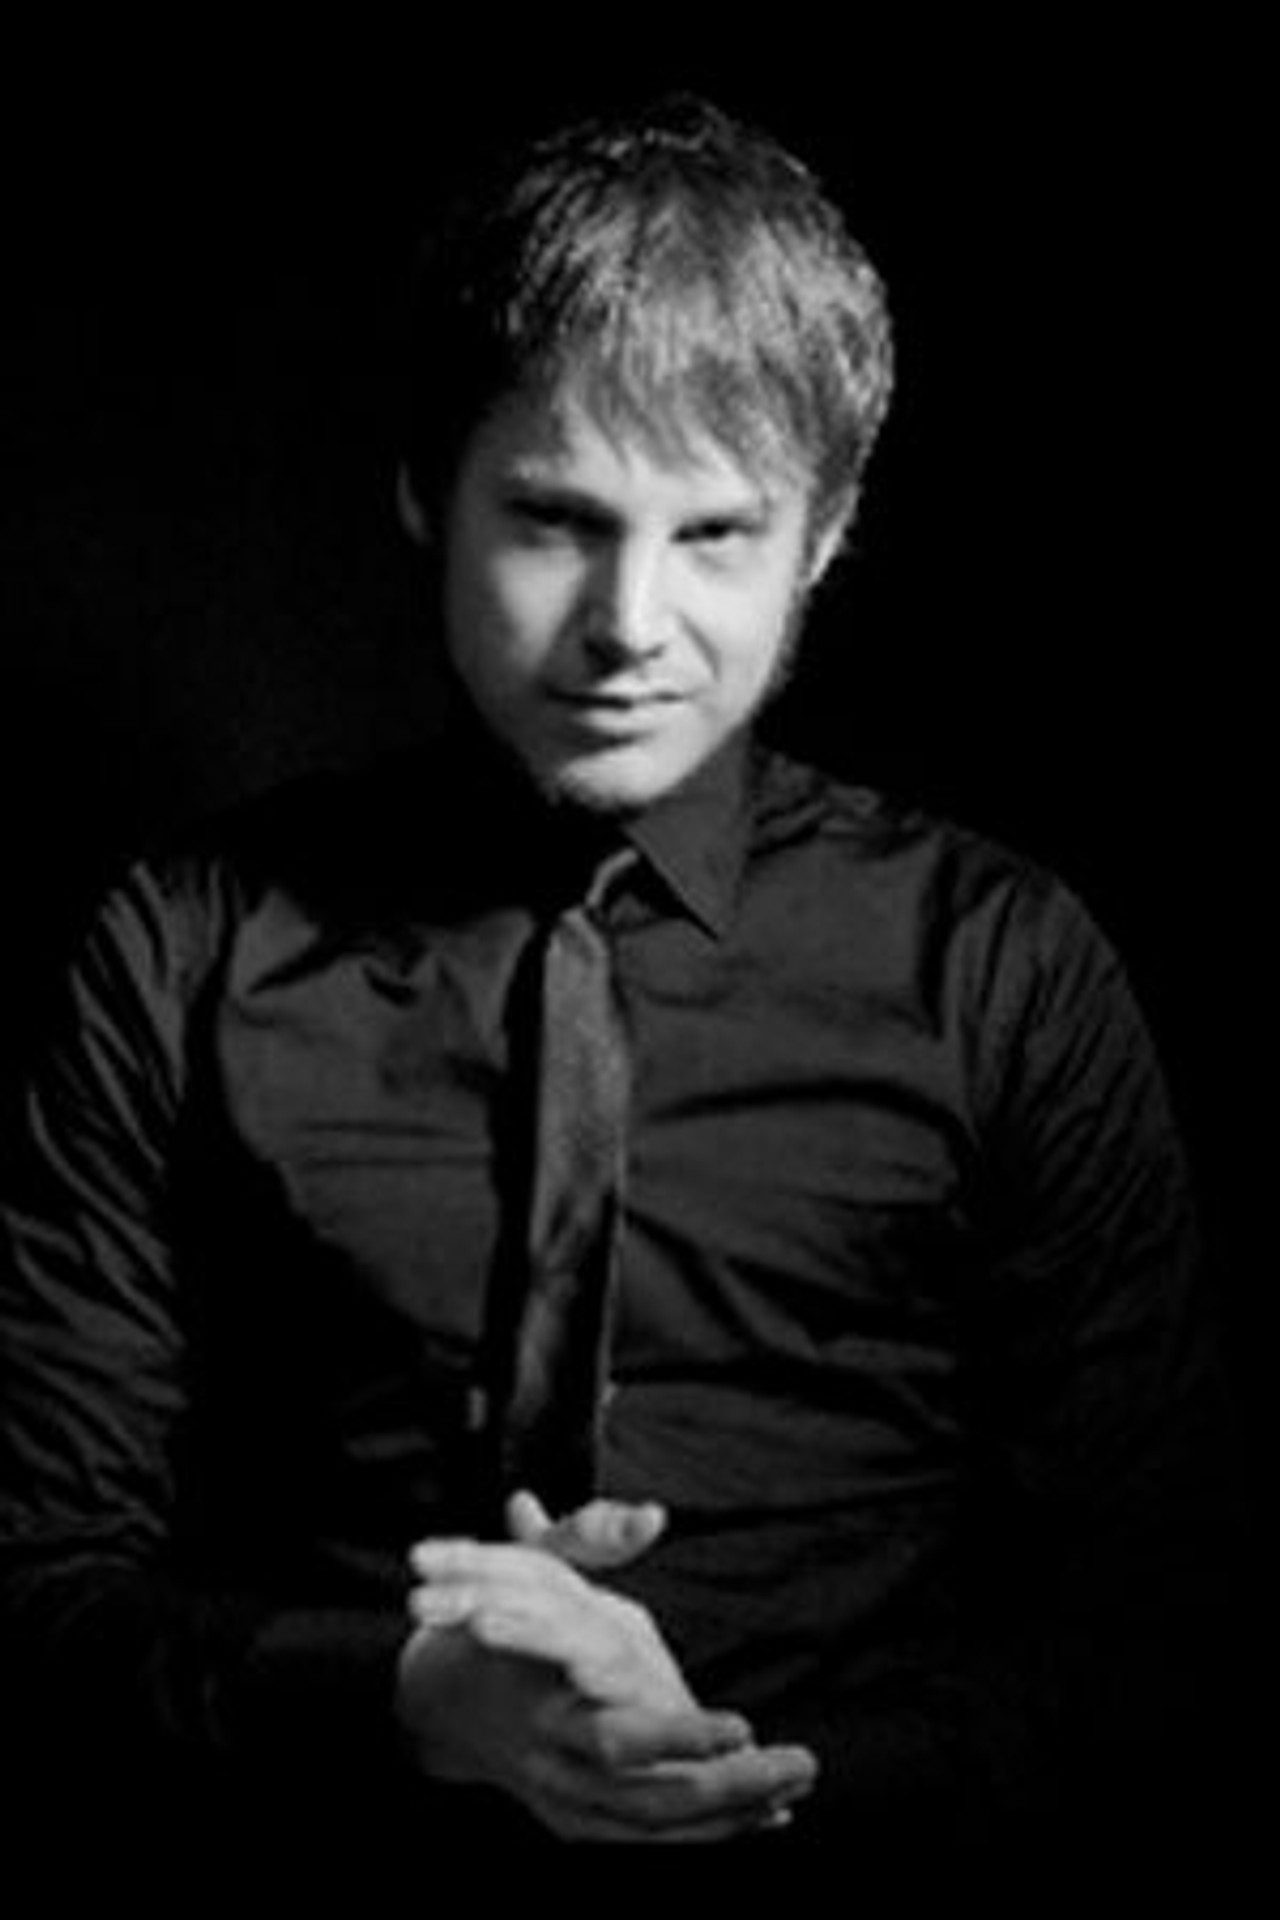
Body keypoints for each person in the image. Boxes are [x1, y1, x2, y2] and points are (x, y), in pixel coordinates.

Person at [0, 94, 1250, 1885]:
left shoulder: (1002, 969)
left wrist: (764, 1784)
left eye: (717, 533)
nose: (630, 624)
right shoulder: (181, 950)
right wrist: (402, 1695)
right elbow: (42, 1581)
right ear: (424, 494)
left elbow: (1166, 1624)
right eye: (554, 520)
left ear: (825, 537)